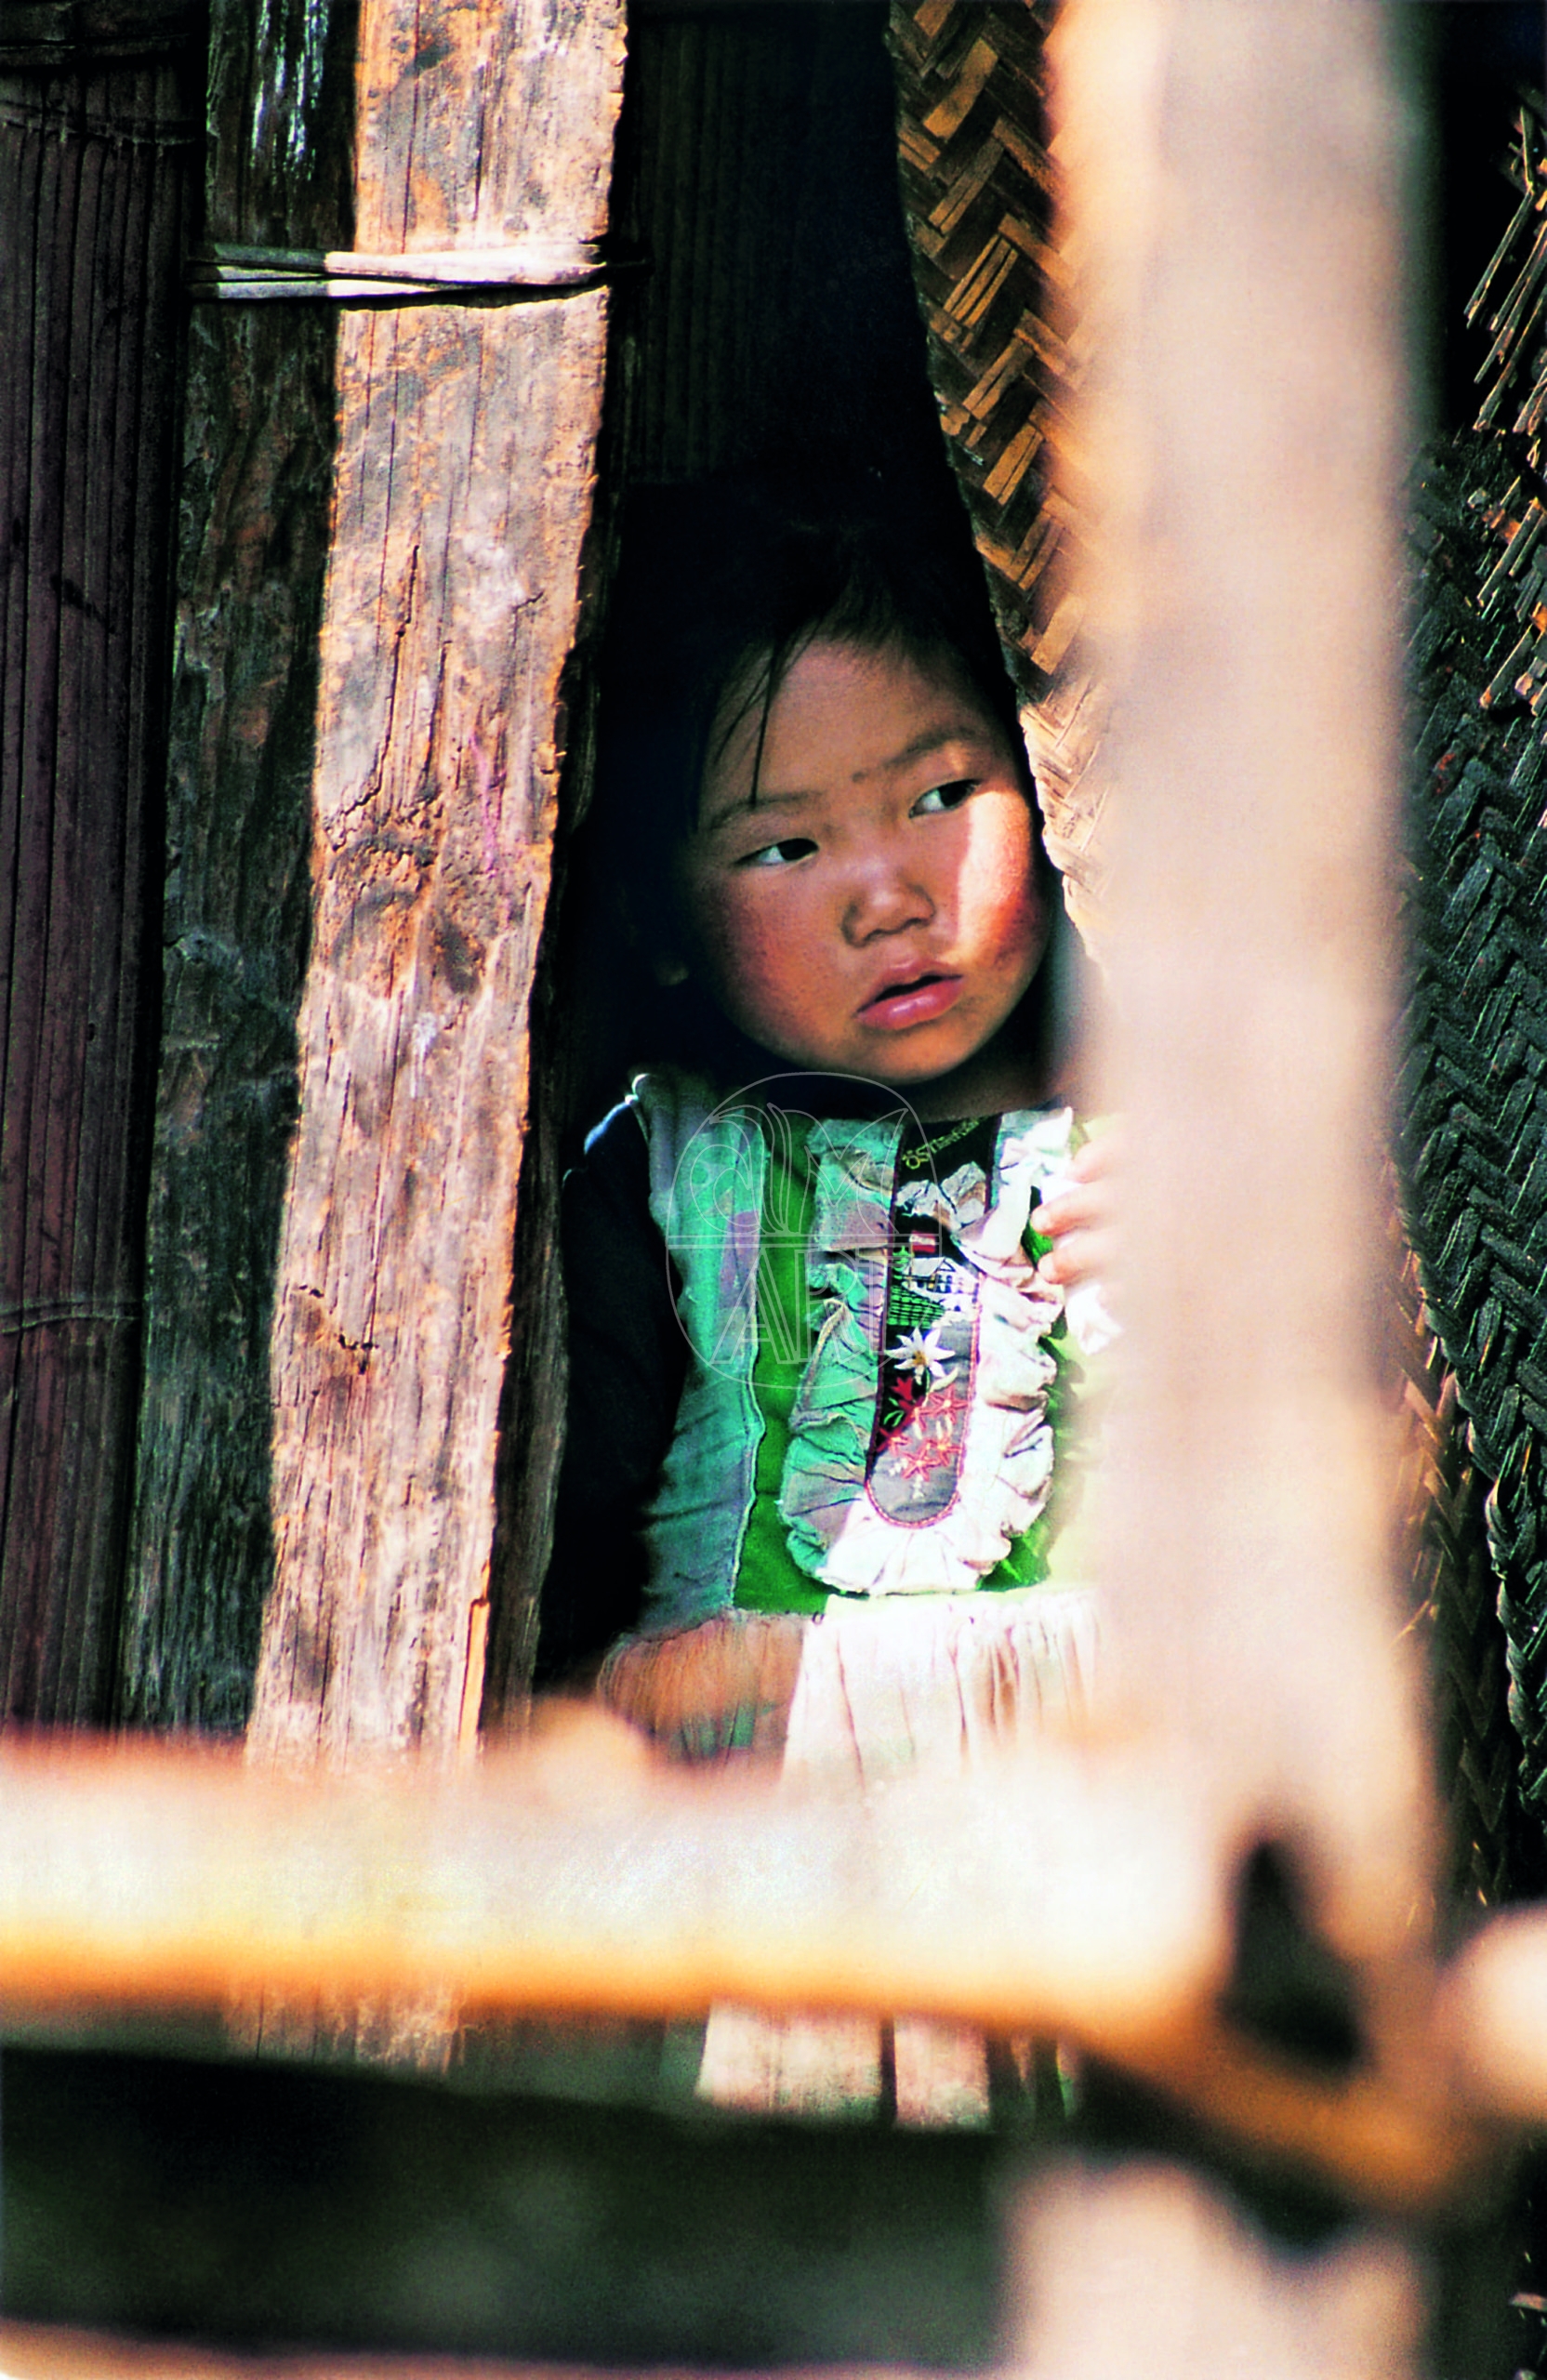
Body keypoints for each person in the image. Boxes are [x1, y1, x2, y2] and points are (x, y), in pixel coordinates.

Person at [535, 473, 1114, 2123]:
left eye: (941, 795)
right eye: (786, 843)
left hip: (1093, 1852)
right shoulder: (655, 1180)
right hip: (760, 1865)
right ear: (663, 921)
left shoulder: (1174, 1158)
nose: (887, 893)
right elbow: (558, 1564)